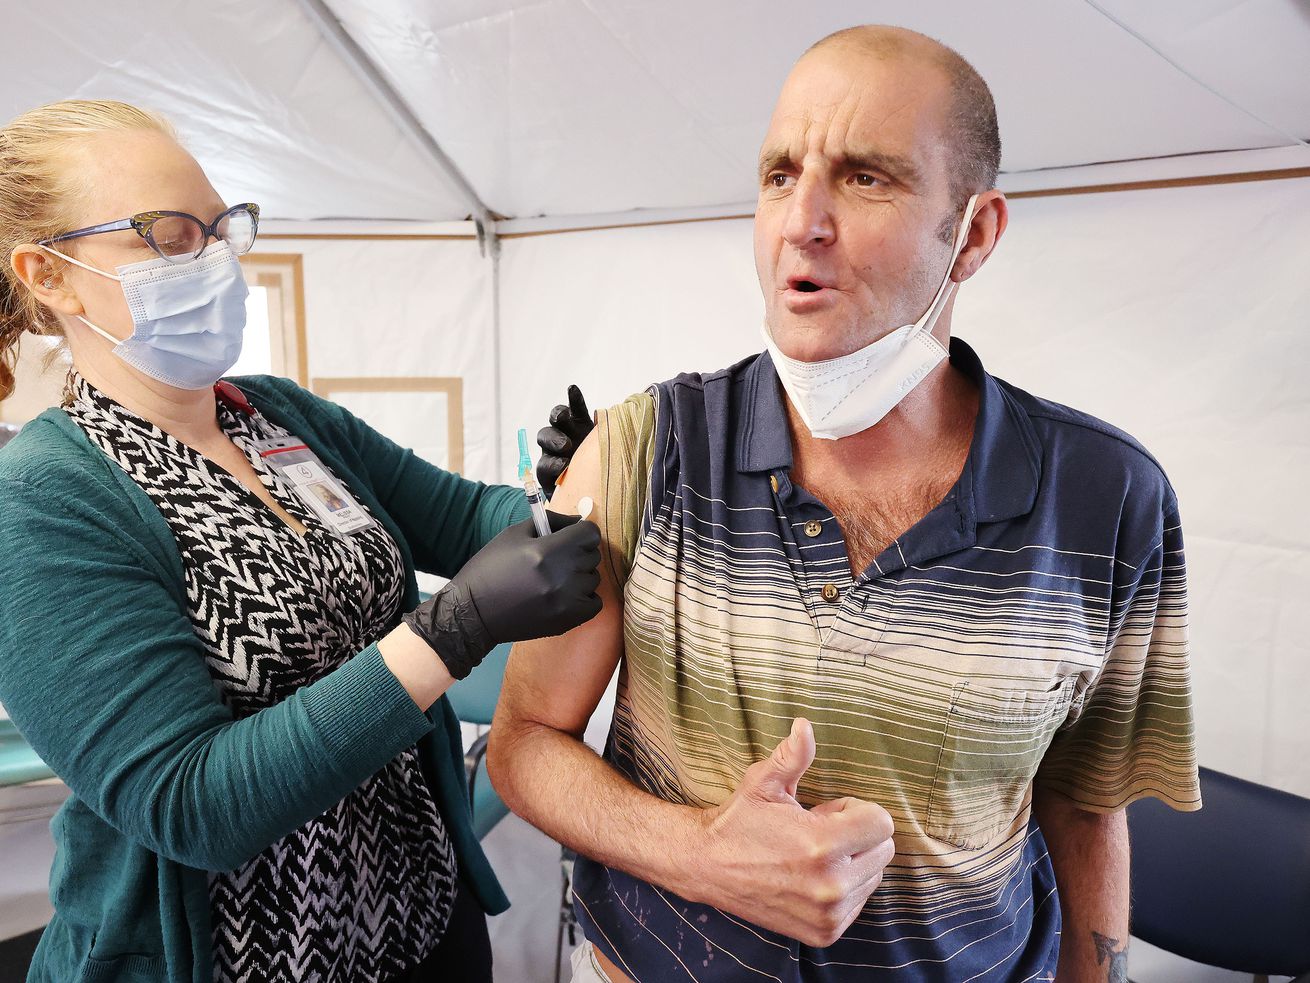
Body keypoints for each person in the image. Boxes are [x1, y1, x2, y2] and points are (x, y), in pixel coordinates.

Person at [493, 25, 1199, 983]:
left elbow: (1084, 806)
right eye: (781, 174)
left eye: (866, 178)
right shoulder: (643, 450)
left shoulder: (1109, 501)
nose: (801, 221)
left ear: (975, 233)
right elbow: (525, 743)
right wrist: (699, 852)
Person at [0, 100, 602, 983]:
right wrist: (452, 631)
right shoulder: (45, 505)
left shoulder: (277, 416)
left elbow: (474, 520)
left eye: (217, 230)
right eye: (168, 237)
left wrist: (570, 486)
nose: (209, 261)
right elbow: (194, 804)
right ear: (48, 274)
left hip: (421, 926)